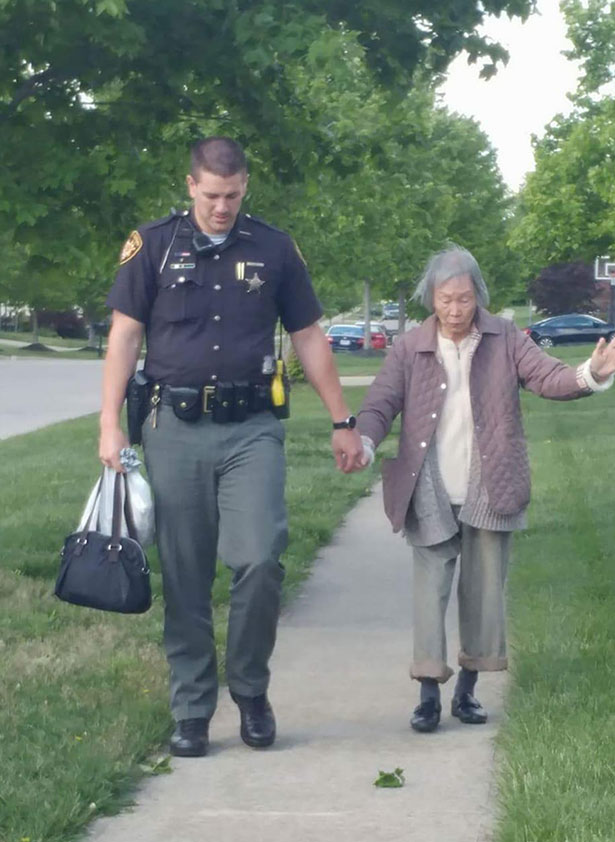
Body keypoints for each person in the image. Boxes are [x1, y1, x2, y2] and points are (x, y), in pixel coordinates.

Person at [99, 137, 364, 757]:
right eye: (213, 195)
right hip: (175, 429)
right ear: (191, 185)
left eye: (234, 195)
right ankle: (192, 709)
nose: (223, 207)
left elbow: (308, 335)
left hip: (251, 429)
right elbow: (124, 336)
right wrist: (110, 422)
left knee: (261, 556)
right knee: (185, 575)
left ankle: (249, 689)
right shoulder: (153, 247)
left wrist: (341, 419)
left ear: (247, 187)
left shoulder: (274, 248)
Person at [356, 246, 615, 733]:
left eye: (464, 299)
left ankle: (467, 691)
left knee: (484, 594)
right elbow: (381, 402)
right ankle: (427, 695)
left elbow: (548, 377)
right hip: (430, 487)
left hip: (491, 483)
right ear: (431, 299)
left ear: (478, 296)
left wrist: (591, 374)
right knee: (429, 592)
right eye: (446, 299)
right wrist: (362, 437)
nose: (456, 310)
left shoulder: (505, 337)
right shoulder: (410, 346)